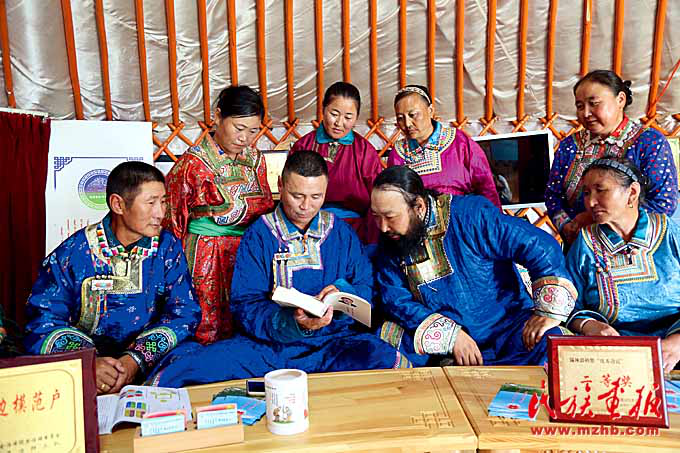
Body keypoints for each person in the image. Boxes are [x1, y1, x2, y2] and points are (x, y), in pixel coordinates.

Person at [149, 151, 408, 387]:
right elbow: (246, 304)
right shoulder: (259, 234)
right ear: (281, 186)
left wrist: (340, 294)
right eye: (297, 196)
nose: (306, 206)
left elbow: (365, 287)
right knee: (194, 368)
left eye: (316, 197)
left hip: (331, 345)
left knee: (384, 357)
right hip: (269, 349)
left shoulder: (341, 232)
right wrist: (292, 322)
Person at [371, 166, 576, 367]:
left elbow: (538, 245)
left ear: (419, 206)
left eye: (390, 217)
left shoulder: (471, 215)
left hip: (508, 329)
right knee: (387, 340)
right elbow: (395, 298)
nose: (383, 227)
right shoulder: (391, 241)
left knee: (555, 344)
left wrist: (546, 313)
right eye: (376, 216)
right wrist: (451, 337)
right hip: (445, 342)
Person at [24, 162, 201, 394]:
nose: (160, 213)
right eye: (151, 203)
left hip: (148, 361)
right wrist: (89, 363)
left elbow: (185, 312)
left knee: (192, 358)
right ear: (118, 204)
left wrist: (134, 360)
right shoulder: (73, 252)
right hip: (89, 362)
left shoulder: (167, 247)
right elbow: (42, 320)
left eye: (164, 202)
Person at [163, 85, 274, 343]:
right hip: (205, 254)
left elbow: (266, 209)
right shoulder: (193, 163)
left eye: (253, 131)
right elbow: (171, 218)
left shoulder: (257, 160)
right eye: (239, 127)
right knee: (205, 324)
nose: (244, 138)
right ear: (218, 116)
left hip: (246, 253)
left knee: (247, 318)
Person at [566, 157, 680, 373]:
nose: (590, 202)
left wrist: (677, 343)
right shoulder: (586, 242)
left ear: (632, 193)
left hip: (674, 348)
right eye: (587, 193)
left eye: (601, 190)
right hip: (613, 355)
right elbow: (568, 303)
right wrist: (589, 325)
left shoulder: (668, 233)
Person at [545, 70, 677, 245]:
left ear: (620, 99)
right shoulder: (569, 146)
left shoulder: (649, 142)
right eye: (580, 106)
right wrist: (567, 226)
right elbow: (552, 195)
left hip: (634, 249)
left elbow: (663, 204)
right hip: (579, 245)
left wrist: (593, 221)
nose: (586, 113)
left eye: (594, 104)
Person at [290, 81, 382, 245]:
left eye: (348, 117)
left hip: (356, 230)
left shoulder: (365, 151)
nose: (339, 123)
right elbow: (291, 192)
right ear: (323, 109)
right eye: (334, 114)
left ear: (356, 117)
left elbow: (377, 199)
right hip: (309, 225)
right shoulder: (304, 146)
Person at [387, 84, 501, 208]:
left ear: (430, 111)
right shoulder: (398, 153)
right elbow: (395, 200)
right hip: (417, 219)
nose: (407, 124)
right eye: (400, 118)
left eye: (413, 115)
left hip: (462, 216)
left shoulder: (459, 142)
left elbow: (487, 188)